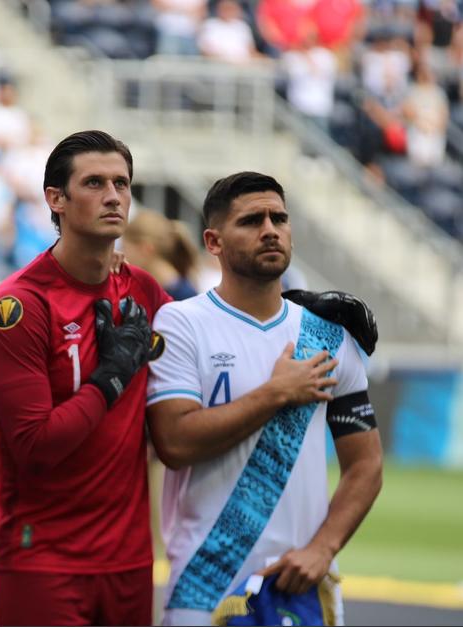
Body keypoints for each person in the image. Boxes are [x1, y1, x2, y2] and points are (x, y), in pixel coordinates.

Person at [146, 172, 383, 626]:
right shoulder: (181, 324)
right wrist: (277, 393)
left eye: (280, 217)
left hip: (304, 587)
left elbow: (366, 464)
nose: (270, 229)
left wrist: (323, 547)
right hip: (205, 585)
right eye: (252, 220)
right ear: (213, 242)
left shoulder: (327, 336)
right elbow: (174, 443)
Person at [0, 130, 169, 626]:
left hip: (128, 558)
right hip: (40, 557)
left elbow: (212, 339)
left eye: (122, 184)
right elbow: (35, 444)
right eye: (94, 183)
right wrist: (111, 379)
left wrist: (299, 309)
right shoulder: (19, 305)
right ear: (55, 200)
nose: (113, 195)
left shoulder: (142, 290)